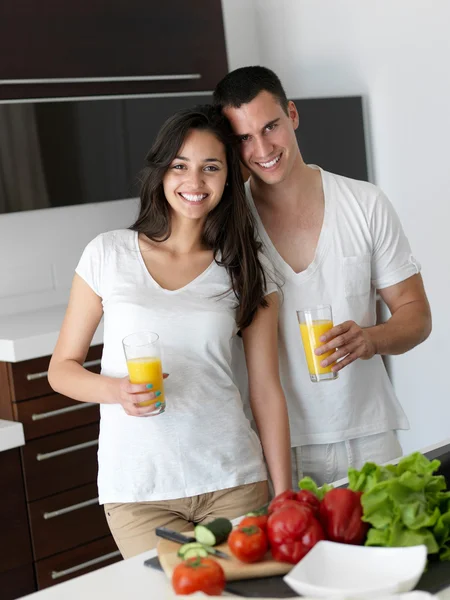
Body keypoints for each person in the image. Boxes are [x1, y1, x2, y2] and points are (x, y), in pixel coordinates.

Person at [48, 105, 291, 558]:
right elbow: (61, 370)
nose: (194, 182)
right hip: (138, 492)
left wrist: (283, 493)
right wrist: (116, 390)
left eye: (210, 168)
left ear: (228, 178)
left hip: (233, 481)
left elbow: (266, 391)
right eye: (180, 166)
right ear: (161, 171)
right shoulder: (108, 254)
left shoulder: (247, 267)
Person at [213, 66, 432, 488]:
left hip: (369, 438)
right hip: (271, 448)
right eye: (243, 138)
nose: (262, 148)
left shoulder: (364, 203)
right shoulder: (227, 225)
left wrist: (371, 339)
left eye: (270, 126)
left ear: (292, 115)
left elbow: (417, 315)